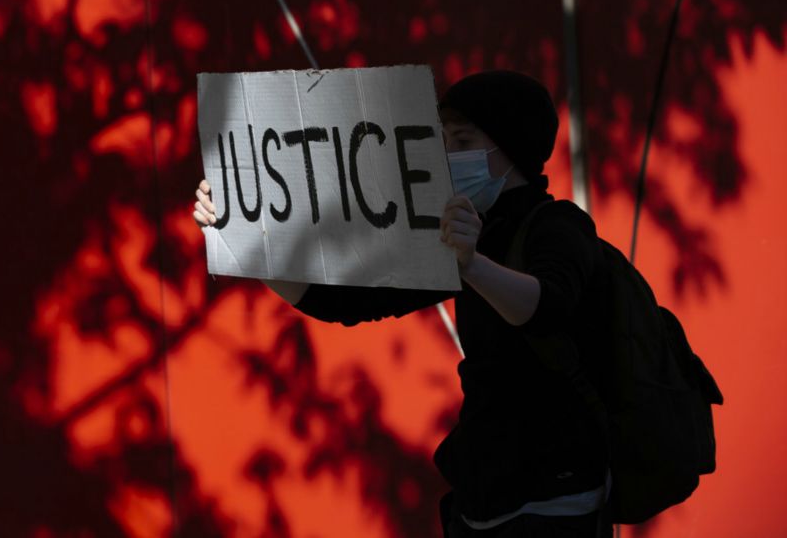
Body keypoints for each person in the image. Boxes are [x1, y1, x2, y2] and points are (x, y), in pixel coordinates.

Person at [192, 70, 612, 537]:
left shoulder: (557, 224)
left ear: (506, 151)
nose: (444, 154)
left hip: (555, 503)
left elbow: (544, 307)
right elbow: (343, 302)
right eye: (442, 137)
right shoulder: (464, 231)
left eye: (461, 139)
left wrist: (471, 265)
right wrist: (244, 242)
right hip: (481, 500)